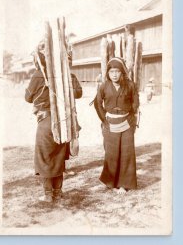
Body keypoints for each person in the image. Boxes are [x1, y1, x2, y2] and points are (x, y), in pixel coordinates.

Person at [25, 42, 82, 202]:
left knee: (45, 157)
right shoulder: (68, 75)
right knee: (58, 155)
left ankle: (48, 194)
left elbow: (28, 98)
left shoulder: (38, 75)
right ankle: (57, 191)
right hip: (63, 121)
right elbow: (78, 93)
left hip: (46, 121)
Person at [94, 57, 139, 194]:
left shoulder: (130, 85)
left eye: (117, 71)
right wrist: (104, 120)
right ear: (107, 73)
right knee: (111, 154)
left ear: (122, 72)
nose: (114, 74)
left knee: (127, 153)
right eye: (111, 71)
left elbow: (135, 102)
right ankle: (110, 182)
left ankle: (125, 184)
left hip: (126, 122)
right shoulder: (103, 86)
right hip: (110, 123)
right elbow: (97, 103)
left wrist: (131, 118)